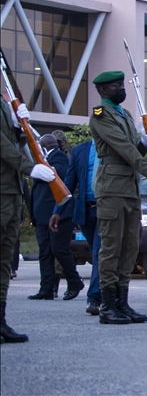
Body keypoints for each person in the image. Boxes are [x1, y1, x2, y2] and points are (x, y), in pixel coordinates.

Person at [89, 70, 147, 324]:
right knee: (111, 248)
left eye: (122, 84)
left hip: (128, 189)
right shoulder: (100, 115)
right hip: (111, 189)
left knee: (129, 248)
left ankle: (122, 302)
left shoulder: (125, 115)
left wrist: (145, 139)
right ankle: (108, 305)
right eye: (116, 86)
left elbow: (134, 148)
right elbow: (123, 149)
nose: (121, 89)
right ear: (103, 90)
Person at [1, 100, 56, 343]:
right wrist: (29, 167)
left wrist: (19, 130)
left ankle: (0, 321)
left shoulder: (3, 104)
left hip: (11, 192)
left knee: (3, 262)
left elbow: (10, 141)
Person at [51, 137, 102, 314]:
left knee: (99, 252)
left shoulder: (115, 146)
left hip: (107, 209)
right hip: (86, 210)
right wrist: (58, 210)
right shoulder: (80, 150)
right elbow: (69, 183)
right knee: (97, 254)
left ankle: (94, 298)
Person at [29, 134, 84, 301]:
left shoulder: (57, 156)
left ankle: (74, 281)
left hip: (59, 213)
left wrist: (43, 166)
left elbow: (60, 174)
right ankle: (46, 288)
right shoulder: (44, 159)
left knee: (59, 250)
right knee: (45, 252)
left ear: (45, 146)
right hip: (42, 215)